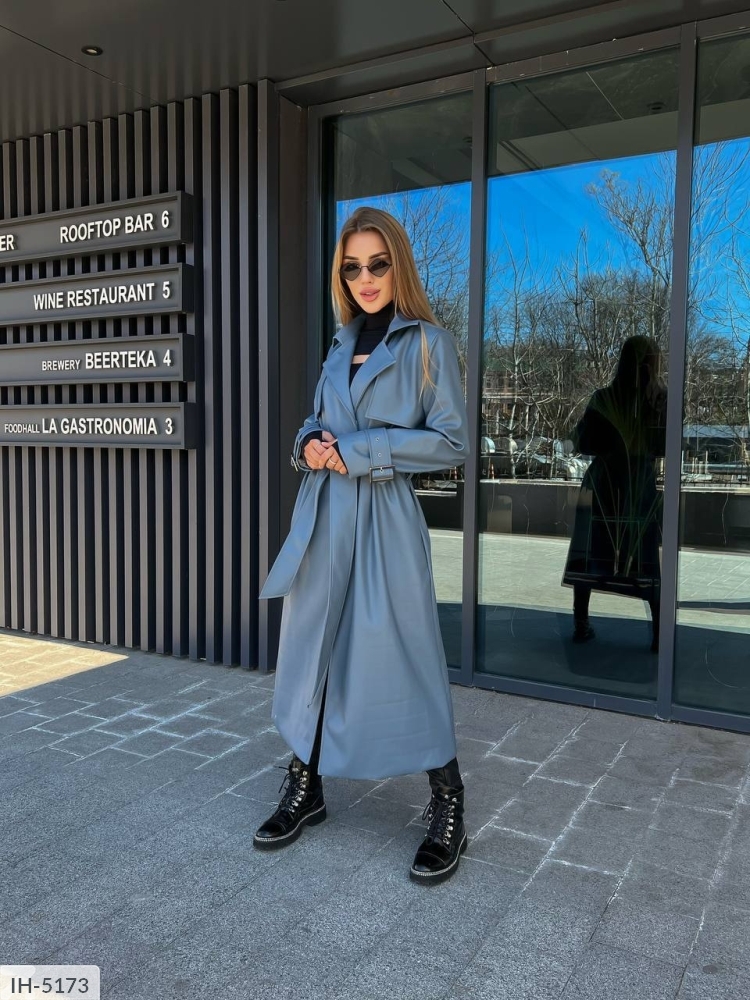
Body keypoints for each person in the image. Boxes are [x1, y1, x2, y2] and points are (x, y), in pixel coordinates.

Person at [255, 206, 470, 884]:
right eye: (352, 267)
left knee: (404, 650)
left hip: (383, 517)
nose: (365, 278)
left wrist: (362, 450)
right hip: (324, 516)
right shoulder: (339, 344)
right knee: (313, 647)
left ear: (397, 264)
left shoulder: (429, 344)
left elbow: (452, 442)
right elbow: (320, 421)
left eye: (378, 263)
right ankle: (307, 781)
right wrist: (308, 443)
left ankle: (448, 799)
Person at [562, 335, 667, 651]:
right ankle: (659, 634)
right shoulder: (660, 400)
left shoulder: (604, 398)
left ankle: (581, 623)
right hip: (637, 486)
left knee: (592, 551)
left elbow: (583, 442)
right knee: (644, 557)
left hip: (605, 484)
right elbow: (665, 445)